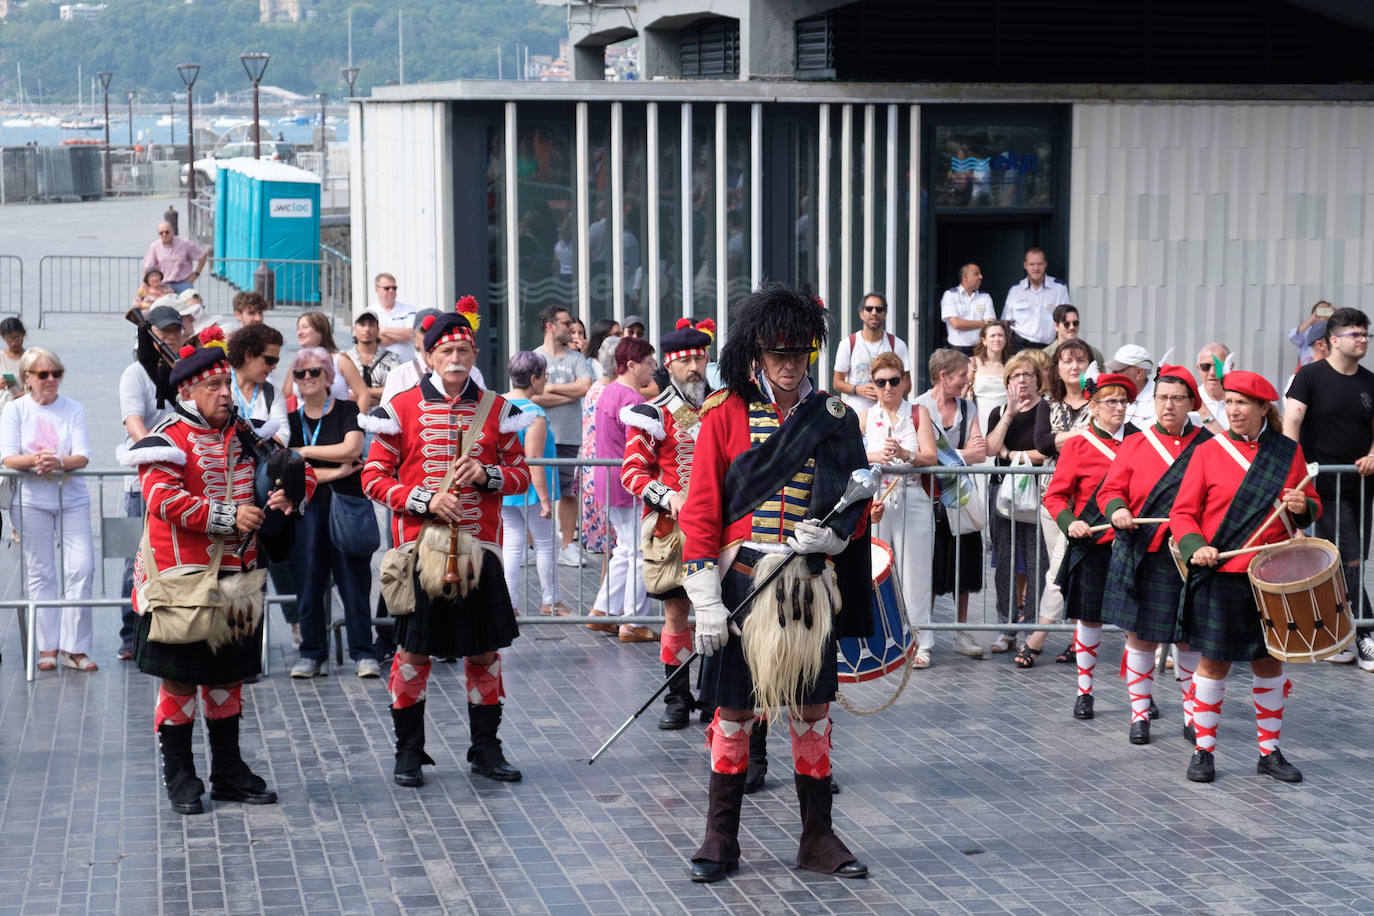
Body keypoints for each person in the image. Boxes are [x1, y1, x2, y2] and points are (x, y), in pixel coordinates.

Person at [680, 283, 870, 883]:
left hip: (809, 581)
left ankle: (818, 837)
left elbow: (853, 501)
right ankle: (720, 837)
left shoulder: (836, 417)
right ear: (756, 354)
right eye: (778, 355)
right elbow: (702, 508)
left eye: (800, 355)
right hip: (744, 580)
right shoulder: (724, 412)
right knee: (733, 714)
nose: (790, 367)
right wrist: (705, 599)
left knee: (812, 713)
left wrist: (836, 536)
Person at [121, 337, 310, 815]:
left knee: (229, 680)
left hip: (239, 576)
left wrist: (287, 495)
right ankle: (180, 775)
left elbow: (285, 472)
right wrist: (226, 516)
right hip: (181, 580)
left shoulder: (243, 431)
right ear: (188, 392)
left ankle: (227, 771)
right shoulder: (165, 439)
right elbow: (162, 500)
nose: (226, 392)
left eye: (227, 383)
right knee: (180, 683)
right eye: (214, 385)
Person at [360, 309, 532, 786]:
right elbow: (373, 478)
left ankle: (485, 748)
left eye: (463, 350)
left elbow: (521, 476)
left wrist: (488, 474)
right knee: (413, 655)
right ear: (429, 355)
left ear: (475, 354)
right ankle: (409, 752)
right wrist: (425, 500)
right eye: (446, 351)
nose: (455, 358)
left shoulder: (498, 410)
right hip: (420, 552)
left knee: (483, 654)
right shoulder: (400, 408)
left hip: (482, 555)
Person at [1171, 370, 1319, 784]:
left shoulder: (1287, 453)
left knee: (1269, 664)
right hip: (1222, 573)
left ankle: (1269, 752)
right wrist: (1194, 545)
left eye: (1242, 403)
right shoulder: (1207, 452)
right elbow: (1183, 514)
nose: (1233, 410)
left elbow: (1311, 507)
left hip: (1270, 575)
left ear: (1262, 409)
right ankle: (1203, 750)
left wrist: (1301, 505)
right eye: (1229, 402)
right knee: (1213, 664)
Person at [1098, 365, 1211, 743]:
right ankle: (1139, 714)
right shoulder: (1135, 444)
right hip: (1143, 551)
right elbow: (1111, 490)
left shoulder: (1209, 445)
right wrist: (1117, 510)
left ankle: (1193, 716)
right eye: (1162, 397)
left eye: (1177, 398)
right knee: (1141, 637)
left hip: (1189, 556)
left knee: (1189, 640)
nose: (1168, 405)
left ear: (1191, 403)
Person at [620, 319, 715, 727]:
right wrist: (668, 496)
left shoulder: (727, 407)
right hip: (673, 532)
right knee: (677, 615)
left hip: (721, 530)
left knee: (717, 613)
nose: (694, 367)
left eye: (699, 358)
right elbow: (632, 473)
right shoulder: (652, 414)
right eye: (686, 361)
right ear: (670, 366)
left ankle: (713, 697)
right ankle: (677, 698)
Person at [1042, 370, 1138, 720]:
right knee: (1090, 620)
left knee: (1136, 625)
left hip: (1132, 544)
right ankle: (1085, 691)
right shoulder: (1079, 445)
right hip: (1093, 543)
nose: (1118, 407)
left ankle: (1139, 695)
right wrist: (1072, 523)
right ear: (1093, 408)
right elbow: (1055, 497)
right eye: (1110, 402)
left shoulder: (1141, 442)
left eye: (1123, 401)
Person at [1283, 307, 1374, 668]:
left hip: (1363, 485)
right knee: (1348, 556)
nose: (1363, 339)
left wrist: (1372, 454)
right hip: (1322, 486)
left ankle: (1340, 635)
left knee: (1349, 559)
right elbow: (1292, 422)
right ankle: (1367, 634)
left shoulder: (1370, 381)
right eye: (1355, 334)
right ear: (1333, 340)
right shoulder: (1310, 376)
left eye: (1365, 334)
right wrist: (1295, 476)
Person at [0, 347, 96, 673]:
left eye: (56, 373)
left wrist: (59, 462)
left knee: (81, 569)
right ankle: (48, 646)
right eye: (43, 374)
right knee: (41, 573)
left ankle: (76, 648)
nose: (51, 379)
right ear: (27, 378)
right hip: (30, 501)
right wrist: (36, 461)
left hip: (72, 498)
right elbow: (8, 457)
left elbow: (82, 455)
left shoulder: (74, 408)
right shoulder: (15, 410)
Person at [286, 347, 379, 679]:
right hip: (309, 507)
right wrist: (338, 471)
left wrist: (304, 453)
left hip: (347, 506)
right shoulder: (291, 420)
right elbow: (290, 472)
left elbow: (353, 449)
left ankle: (363, 653)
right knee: (308, 582)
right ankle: (312, 653)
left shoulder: (347, 409)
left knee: (353, 581)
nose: (308, 378)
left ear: (328, 376)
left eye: (315, 372)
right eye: (301, 373)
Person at [860, 351, 938, 667]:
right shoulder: (864, 417)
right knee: (875, 570)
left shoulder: (917, 413)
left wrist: (906, 453)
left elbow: (931, 457)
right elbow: (850, 459)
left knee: (914, 572)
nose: (888, 387)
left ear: (904, 381)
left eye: (894, 380)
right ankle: (879, 639)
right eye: (881, 382)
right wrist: (874, 456)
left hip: (912, 497)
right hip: (877, 499)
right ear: (873, 385)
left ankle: (920, 641)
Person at [116, 304, 184, 660]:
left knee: (175, 555)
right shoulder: (135, 373)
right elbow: (134, 423)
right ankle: (131, 634)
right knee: (136, 559)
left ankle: (171, 627)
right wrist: (157, 455)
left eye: (175, 330)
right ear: (151, 333)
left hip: (181, 477)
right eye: (164, 331)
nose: (171, 336)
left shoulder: (185, 369)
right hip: (146, 476)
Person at [1025, 338, 1095, 664]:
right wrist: (1082, 436)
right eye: (1067, 360)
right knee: (1064, 569)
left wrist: (1061, 441)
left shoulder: (1099, 403)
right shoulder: (1046, 403)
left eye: (1080, 360)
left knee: (1059, 567)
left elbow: (1097, 441)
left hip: (1085, 502)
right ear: (1057, 367)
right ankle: (1077, 639)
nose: (1074, 366)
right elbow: (1041, 443)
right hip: (1050, 497)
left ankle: (1037, 637)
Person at [915, 349, 988, 657]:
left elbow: (981, 453)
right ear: (944, 376)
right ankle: (924, 637)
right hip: (928, 497)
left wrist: (950, 456)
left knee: (965, 567)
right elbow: (923, 452)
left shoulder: (968, 407)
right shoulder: (919, 407)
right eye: (961, 375)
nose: (966, 381)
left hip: (960, 498)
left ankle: (961, 633)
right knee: (930, 569)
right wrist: (963, 454)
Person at [985, 353, 1051, 661]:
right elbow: (989, 447)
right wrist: (1009, 415)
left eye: (1027, 374)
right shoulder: (999, 410)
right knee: (1006, 560)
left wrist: (1013, 454)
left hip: (1037, 491)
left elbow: (1046, 450)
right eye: (1014, 375)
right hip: (1003, 492)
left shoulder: (1047, 409)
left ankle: (1032, 632)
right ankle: (1007, 628)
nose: (1021, 380)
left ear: (1038, 379)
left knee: (1038, 561)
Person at [592, 336, 657, 642]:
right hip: (627, 481)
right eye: (648, 363)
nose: (652, 369)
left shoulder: (609, 391)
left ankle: (604, 610)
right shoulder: (631, 400)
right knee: (638, 550)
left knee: (626, 549)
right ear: (632, 365)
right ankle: (631, 620)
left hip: (610, 479)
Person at [500, 351, 568, 617]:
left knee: (513, 544)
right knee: (545, 543)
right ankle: (551, 601)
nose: (546, 381)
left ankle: (510, 603)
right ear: (533, 378)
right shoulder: (534, 413)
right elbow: (534, 459)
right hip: (528, 489)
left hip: (506, 486)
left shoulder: (500, 404)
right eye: (544, 376)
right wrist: (544, 499)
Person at [531, 304, 594, 566]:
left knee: (568, 491)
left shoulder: (576, 358)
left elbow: (585, 387)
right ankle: (533, 545)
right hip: (541, 434)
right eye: (566, 323)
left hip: (570, 435)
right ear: (550, 326)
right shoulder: (535, 358)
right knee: (537, 491)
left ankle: (567, 546)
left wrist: (552, 388)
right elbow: (534, 395)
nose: (571, 327)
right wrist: (568, 392)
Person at [581, 337, 619, 632]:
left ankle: (606, 607)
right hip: (606, 473)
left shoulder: (595, 388)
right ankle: (605, 607)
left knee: (612, 546)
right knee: (616, 546)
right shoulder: (608, 391)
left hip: (594, 472)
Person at [831, 292, 910, 411]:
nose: (874, 313)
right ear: (861, 314)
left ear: (885, 314)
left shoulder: (897, 345)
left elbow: (907, 384)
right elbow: (837, 382)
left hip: (889, 413)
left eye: (879, 309)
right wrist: (857, 389)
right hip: (856, 413)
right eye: (869, 309)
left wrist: (886, 392)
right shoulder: (848, 344)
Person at [284, 311, 369, 410]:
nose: (300, 332)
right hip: (304, 423)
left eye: (305, 327)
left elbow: (363, 394)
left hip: (339, 422)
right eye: (298, 328)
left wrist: (356, 423)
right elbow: (284, 396)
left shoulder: (340, 360)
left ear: (320, 332)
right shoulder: (298, 362)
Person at [227, 323, 288, 444]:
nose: (274, 367)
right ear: (248, 355)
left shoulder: (273, 393)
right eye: (270, 360)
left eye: (277, 361)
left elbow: (282, 438)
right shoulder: (221, 387)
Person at [1002, 247, 1070, 353]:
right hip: (1018, 347)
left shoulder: (1059, 288)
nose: (1036, 268)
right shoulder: (1015, 290)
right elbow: (1005, 322)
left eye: (1039, 264)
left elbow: (1066, 320)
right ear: (1025, 265)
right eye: (1032, 264)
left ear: (1045, 264)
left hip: (1047, 348)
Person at [343, 308, 400, 406]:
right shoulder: (345, 358)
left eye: (371, 325)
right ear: (354, 329)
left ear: (378, 329)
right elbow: (343, 393)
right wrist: (378, 394)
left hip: (383, 416)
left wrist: (361, 392)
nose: (367, 329)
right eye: (362, 324)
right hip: (350, 417)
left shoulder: (393, 358)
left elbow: (396, 390)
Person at [939, 263, 994, 356]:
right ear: (965, 276)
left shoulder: (985, 297)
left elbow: (991, 324)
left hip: (980, 351)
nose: (981, 277)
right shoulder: (950, 295)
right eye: (976, 274)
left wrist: (965, 323)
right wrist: (982, 323)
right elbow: (956, 324)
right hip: (957, 351)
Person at [142, 220, 208, 293]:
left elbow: (203, 255)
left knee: (188, 302)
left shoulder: (185, 243)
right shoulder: (154, 246)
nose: (164, 235)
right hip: (164, 284)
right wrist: (146, 284)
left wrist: (196, 274)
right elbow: (148, 266)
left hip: (184, 283)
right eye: (161, 233)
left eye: (167, 232)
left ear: (172, 231)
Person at [969, 320, 1009, 437]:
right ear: (984, 341)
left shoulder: (1013, 364)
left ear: (1005, 339)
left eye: (1000, 335)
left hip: (1006, 421)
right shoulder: (972, 363)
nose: (997, 339)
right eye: (992, 335)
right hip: (978, 422)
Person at [370, 272, 418, 362]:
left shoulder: (409, 310)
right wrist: (402, 336)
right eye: (387, 288)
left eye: (394, 288)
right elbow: (375, 341)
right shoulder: (370, 312)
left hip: (407, 365)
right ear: (376, 289)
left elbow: (412, 334)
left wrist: (383, 330)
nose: (391, 291)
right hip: (380, 368)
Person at [1106, 344, 1155, 430]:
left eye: (1118, 370)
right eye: (1113, 370)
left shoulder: (1159, 400)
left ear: (1139, 373)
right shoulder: (1107, 396)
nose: (1112, 375)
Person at [1191, 342, 1231, 433]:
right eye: (1206, 366)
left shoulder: (1242, 404)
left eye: (1219, 366)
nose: (1212, 373)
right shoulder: (1188, 402)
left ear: (1230, 366)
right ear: (1198, 369)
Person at [1288, 300, 1332, 367]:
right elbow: (1292, 337)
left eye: (1326, 310)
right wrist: (1310, 321)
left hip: (1329, 367)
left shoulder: (1334, 330)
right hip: (1308, 367)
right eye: (1320, 310)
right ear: (1314, 313)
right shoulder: (1306, 331)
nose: (1323, 312)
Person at [0, 316, 28, 410]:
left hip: (26, 408)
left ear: (23, 334)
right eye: (9, 340)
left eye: (17, 338)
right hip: (4, 409)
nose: (13, 343)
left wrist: (25, 394)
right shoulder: (1, 357)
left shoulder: (31, 358)